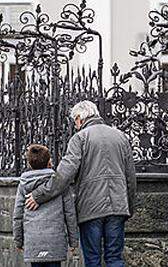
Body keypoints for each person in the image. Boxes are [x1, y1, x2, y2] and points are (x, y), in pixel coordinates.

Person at [26, 100, 137, 267]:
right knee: (114, 258)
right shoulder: (120, 137)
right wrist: (128, 207)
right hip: (118, 207)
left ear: (79, 118)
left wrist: (38, 195)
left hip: (90, 209)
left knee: (92, 260)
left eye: (74, 121)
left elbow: (63, 176)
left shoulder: (80, 138)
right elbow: (130, 177)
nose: (75, 126)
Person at [13, 144, 78, 266]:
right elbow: (70, 213)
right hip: (55, 241)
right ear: (49, 162)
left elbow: (18, 215)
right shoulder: (59, 183)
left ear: (29, 164)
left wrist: (18, 241)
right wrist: (73, 241)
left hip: (33, 241)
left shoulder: (24, 184)